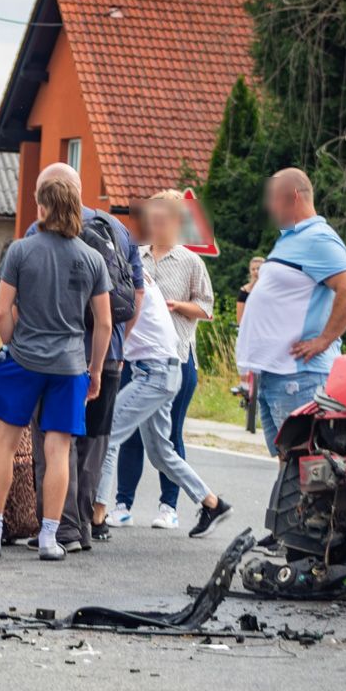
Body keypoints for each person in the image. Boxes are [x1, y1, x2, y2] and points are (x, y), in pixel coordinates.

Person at [0, 176, 111, 561]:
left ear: (44, 208)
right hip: (70, 366)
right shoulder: (92, 258)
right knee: (58, 449)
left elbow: (2, 310)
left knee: (5, 443)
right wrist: (95, 369)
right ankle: (50, 538)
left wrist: (10, 343)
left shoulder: (20, 251)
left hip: (23, 360)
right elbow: (102, 323)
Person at [17, 162, 143, 552]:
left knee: (54, 442)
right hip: (108, 355)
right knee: (94, 444)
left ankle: (62, 529)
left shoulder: (36, 233)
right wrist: (117, 346)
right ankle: (83, 527)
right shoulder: (117, 229)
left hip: (55, 356)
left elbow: (23, 297)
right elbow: (136, 294)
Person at [95, 193, 233, 539]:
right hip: (152, 366)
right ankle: (212, 503)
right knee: (160, 451)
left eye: (160, 220)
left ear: (175, 222)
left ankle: (97, 516)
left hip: (167, 364)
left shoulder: (180, 264)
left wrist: (179, 307)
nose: (152, 226)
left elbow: (206, 307)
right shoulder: (137, 260)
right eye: (150, 220)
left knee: (110, 433)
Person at [237, 168, 346, 455]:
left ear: (293, 196)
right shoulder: (291, 239)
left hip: (300, 377)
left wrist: (324, 340)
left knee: (307, 467)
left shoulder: (318, 238)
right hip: (276, 376)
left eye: (273, 199)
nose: (268, 206)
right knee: (290, 469)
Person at [236, 256, 265, 324]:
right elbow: (239, 320)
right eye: (253, 269)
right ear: (250, 271)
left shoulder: (271, 289)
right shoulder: (244, 291)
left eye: (258, 268)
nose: (256, 271)